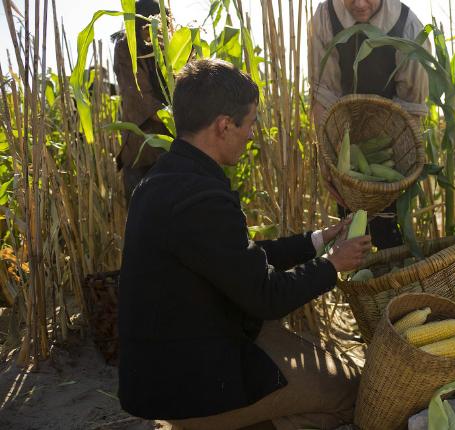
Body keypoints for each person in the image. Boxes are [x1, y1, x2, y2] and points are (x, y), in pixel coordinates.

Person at [118, 58, 372, 430]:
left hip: (172, 365)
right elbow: (266, 296)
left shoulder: (166, 179)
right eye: (250, 123)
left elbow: (237, 260)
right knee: (350, 394)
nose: (252, 134)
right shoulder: (201, 198)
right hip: (190, 384)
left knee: (307, 362)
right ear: (224, 126)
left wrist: (317, 241)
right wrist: (333, 264)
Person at [308, 0, 429, 249]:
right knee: (348, 235)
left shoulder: (408, 26)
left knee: (388, 237)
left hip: (389, 144)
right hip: (345, 145)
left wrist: (393, 177)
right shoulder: (325, 17)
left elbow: (411, 108)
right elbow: (324, 94)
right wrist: (328, 156)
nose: (360, 4)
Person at [112, 0, 171, 205]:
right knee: (146, 222)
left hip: (175, 150)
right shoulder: (125, 48)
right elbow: (140, 97)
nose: (155, 32)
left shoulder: (173, 45)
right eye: (149, 27)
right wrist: (178, 118)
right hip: (142, 154)